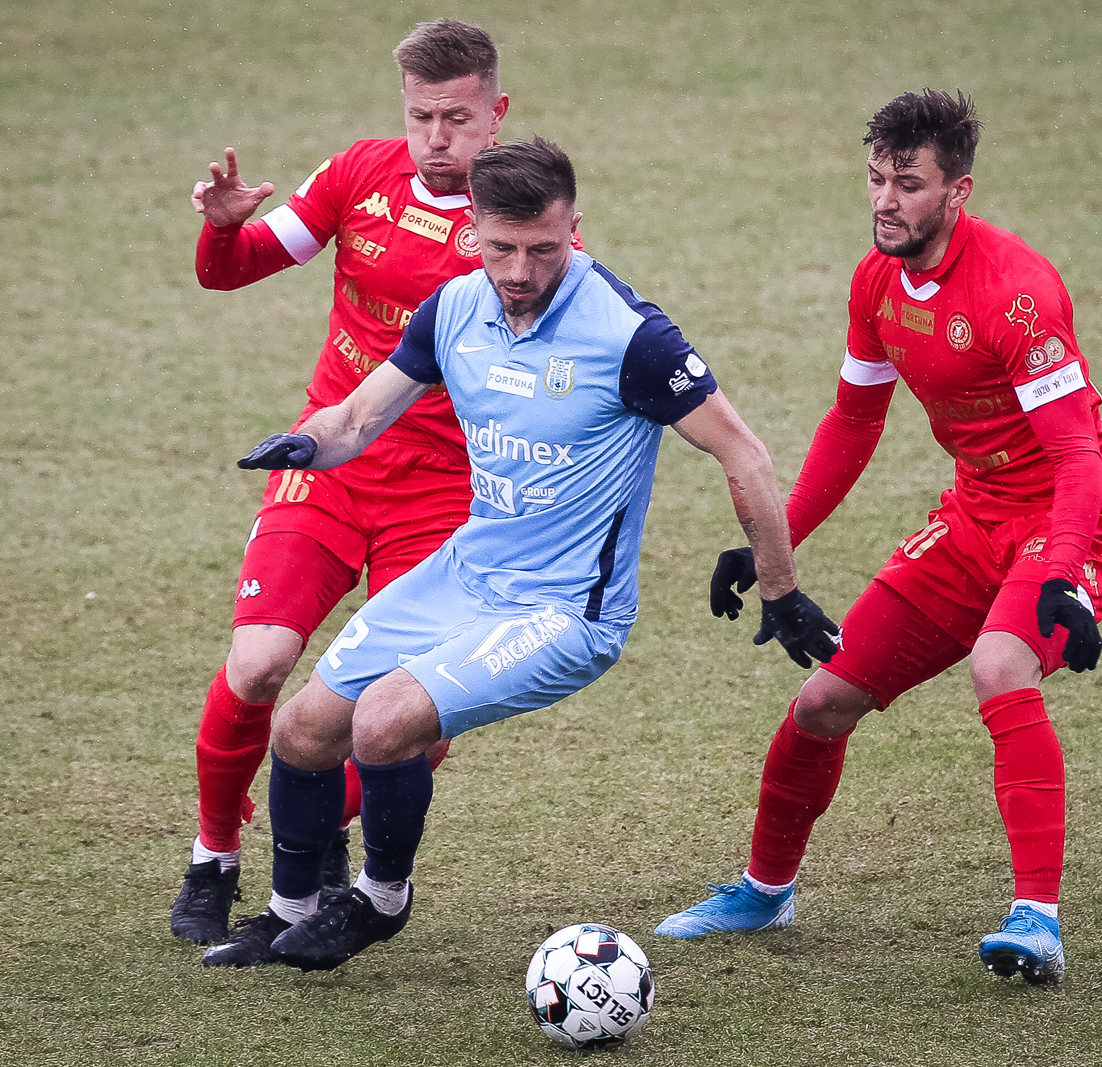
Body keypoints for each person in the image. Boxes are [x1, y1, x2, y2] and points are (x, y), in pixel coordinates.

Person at [201, 137, 839, 970]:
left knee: (384, 721)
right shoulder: (453, 309)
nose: (520, 269)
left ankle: (381, 898)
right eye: (501, 247)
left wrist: (781, 590)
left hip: (566, 611)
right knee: (302, 729)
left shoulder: (629, 337)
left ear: (575, 227)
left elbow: (744, 453)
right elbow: (355, 419)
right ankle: (288, 910)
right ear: (472, 230)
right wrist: (306, 445)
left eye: (544, 248)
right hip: (467, 573)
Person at [652, 90, 1102, 986]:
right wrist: (773, 544)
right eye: (877, 179)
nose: (885, 200)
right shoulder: (876, 283)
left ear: (958, 191)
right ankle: (765, 890)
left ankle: (1037, 919)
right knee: (821, 702)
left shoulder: (1018, 296)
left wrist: (1065, 573)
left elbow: (1078, 457)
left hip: (1074, 518)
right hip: (974, 516)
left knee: (1001, 664)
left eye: (908, 184)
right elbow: (853, 423)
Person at [172, 19, 519, 946]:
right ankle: (213, 856)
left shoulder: (517, 227)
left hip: (441, 496)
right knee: (258, 665)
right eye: (420, 117)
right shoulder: (359, 174)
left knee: (415, 720)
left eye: (456, 118)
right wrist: (222, 229)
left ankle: (320, 825)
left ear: (496, 114)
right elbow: (235, 270)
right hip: (327, 468)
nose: (436, 138)